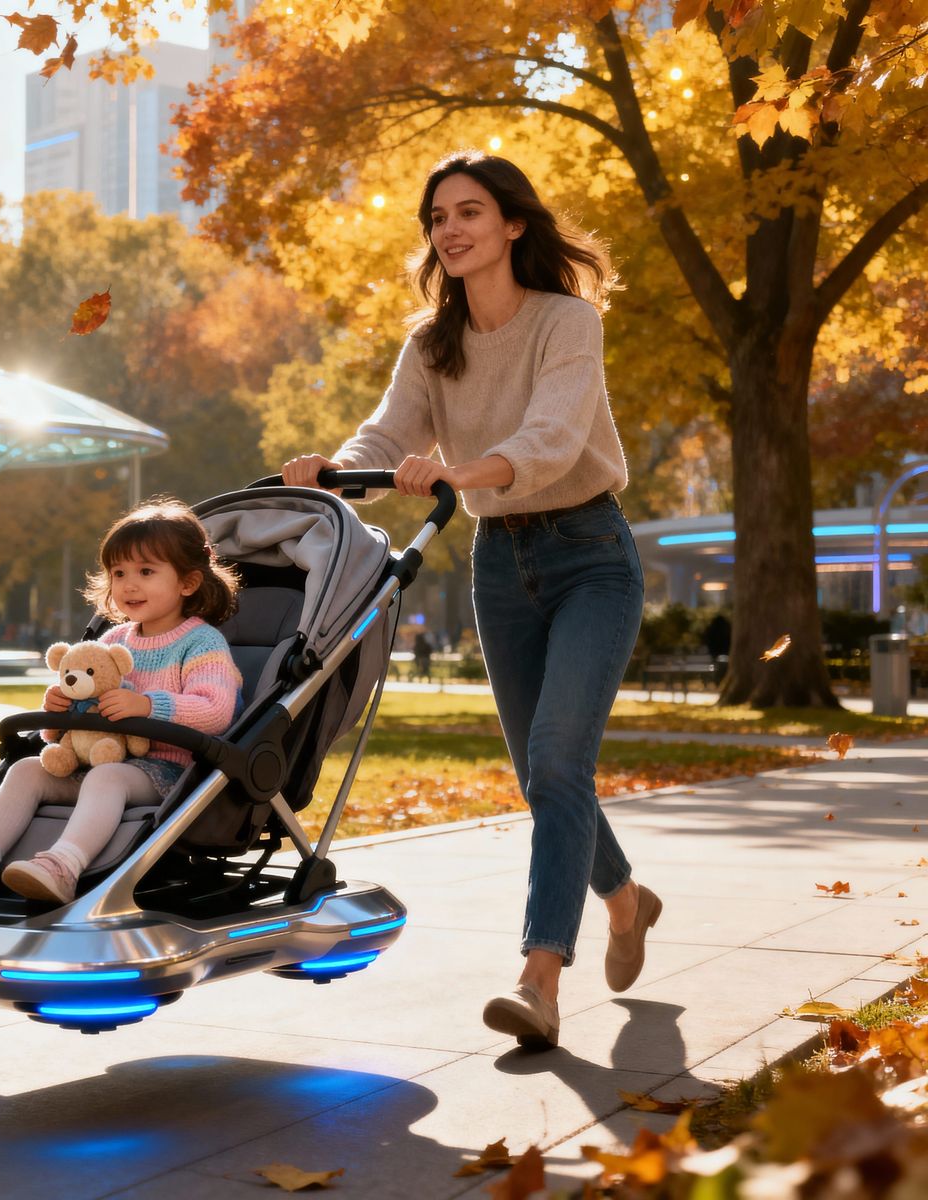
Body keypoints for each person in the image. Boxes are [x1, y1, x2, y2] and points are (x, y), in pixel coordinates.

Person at [281, 150, 659, 1051]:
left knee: (559, 760)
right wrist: (331, 475)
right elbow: (388, 433)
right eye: (438, 218)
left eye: (470, 213)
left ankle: (539, 981)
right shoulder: (431, 342)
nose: (450, 230)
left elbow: (554, 437)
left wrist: (459, 471)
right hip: (502, 563)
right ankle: (625, 898)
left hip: (591, 554)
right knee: (541, 775)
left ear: (513, 225)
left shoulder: (566, 321)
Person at [0, 498, 244, 906]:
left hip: (166, 771)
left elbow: (215, 710)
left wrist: (147, 706)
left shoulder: (201, 642)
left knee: (107, 779)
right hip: (92, 761)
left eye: (146, 572)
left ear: (188, 583)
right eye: (119, 572)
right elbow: (80, 705)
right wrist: (59, 713)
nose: (129, 584)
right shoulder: (111, 641)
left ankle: (62, 867)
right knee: (27, 768)